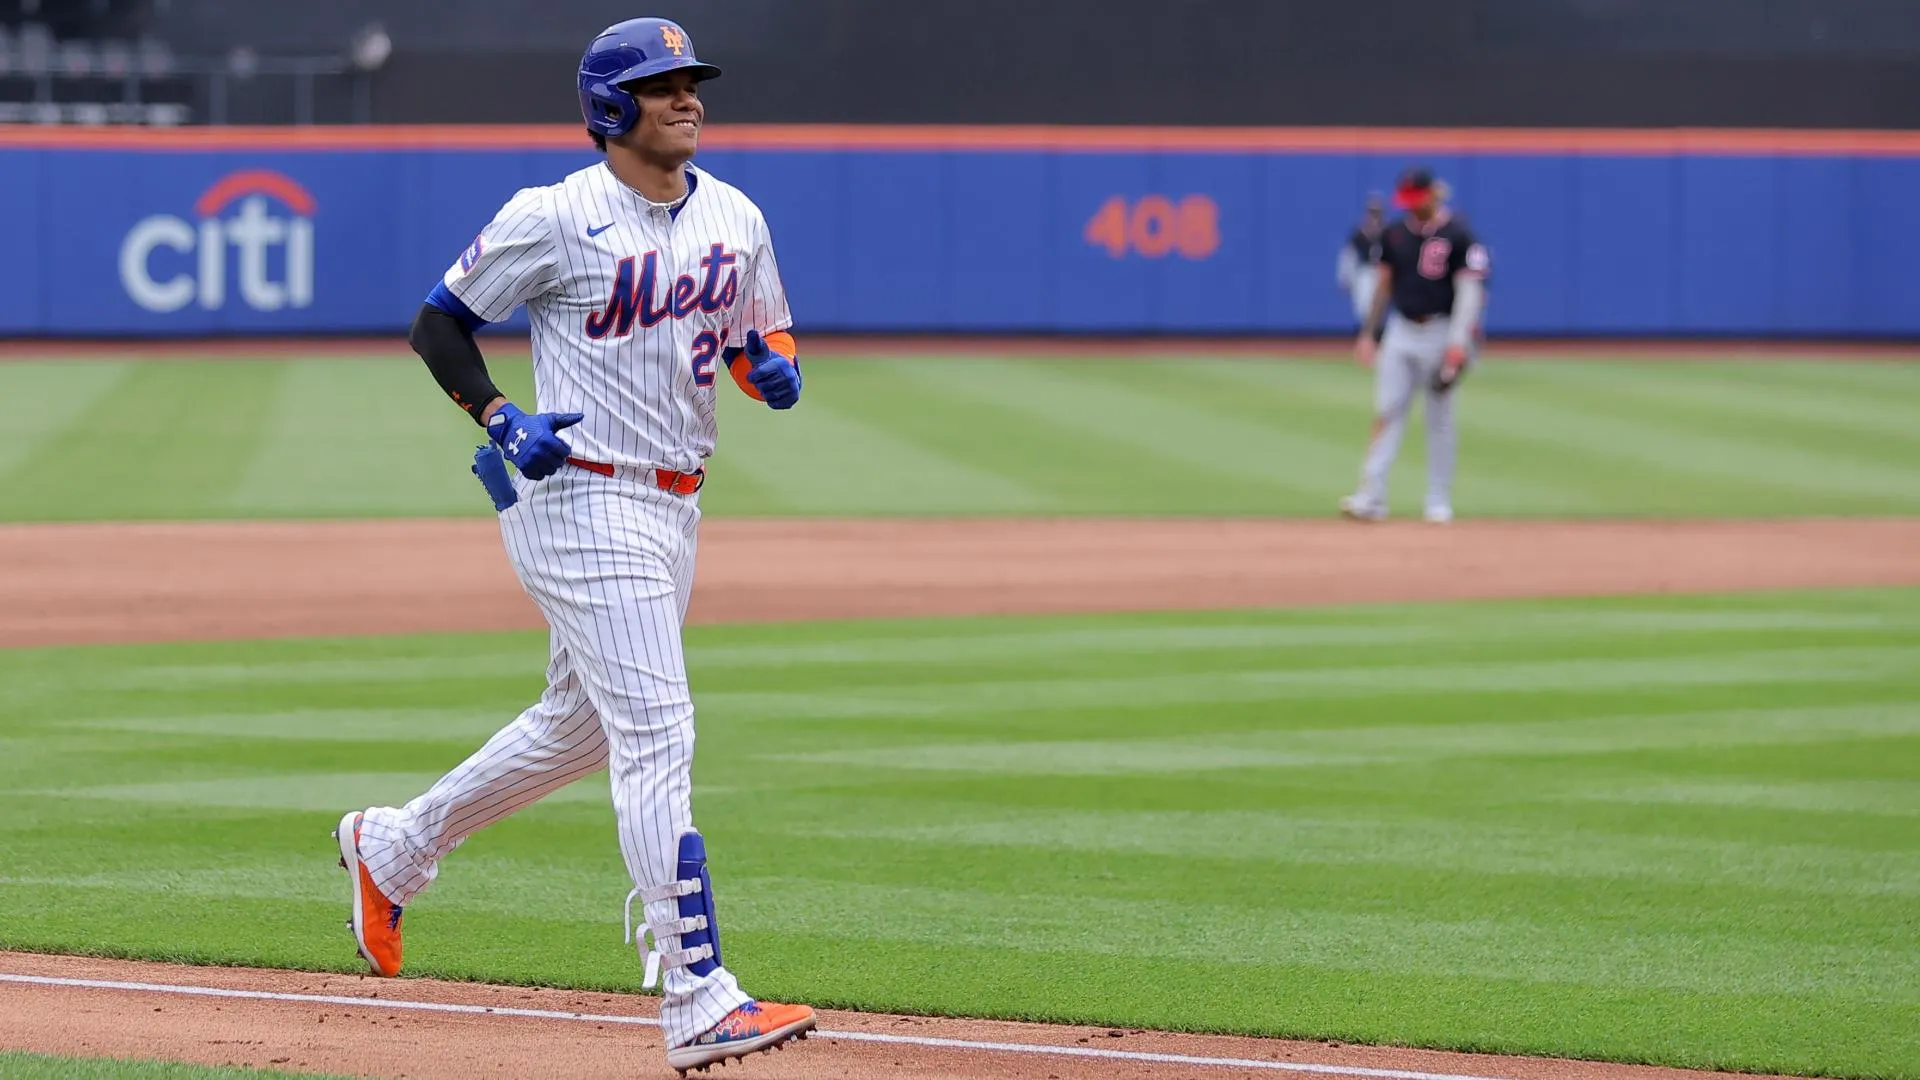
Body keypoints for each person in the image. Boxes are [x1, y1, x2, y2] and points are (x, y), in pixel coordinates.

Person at [331, 17, 815, 1074]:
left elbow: (754, 334)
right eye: (661, 85)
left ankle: (393, 847)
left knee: (582, 726)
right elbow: (439, 323)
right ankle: (696, 994)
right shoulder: (553, 217)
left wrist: (770, 368)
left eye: (691, 80)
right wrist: (503, 418)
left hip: (674, 506)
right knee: (658, 729)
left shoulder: (735, 215)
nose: (686, 98)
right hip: (577, 498)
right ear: (611, 109)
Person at [1340, 166, 1490, 525]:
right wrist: (1369, 333)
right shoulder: (1394, 234)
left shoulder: (1460, 235)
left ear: (1430, 195)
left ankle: (1438, 499)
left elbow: (1471, 292)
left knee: (1439, 418)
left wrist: (1459, 342)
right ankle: (1371, 496)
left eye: (1414, 199)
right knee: (1386, 410)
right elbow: (1384, 286)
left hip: (1440, 329)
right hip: (1401, 330)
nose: (1409, 207)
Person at [1336, 193, 1387, 341]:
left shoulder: (1388, 232)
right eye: (1372, 212)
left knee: (1379, 308)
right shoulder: (1359, 233)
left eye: (1377, 212)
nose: (1375, 216)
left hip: (1380, 271)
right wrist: (1344, 277)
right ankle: (1368, 337)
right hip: (1364, 272)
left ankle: (1376, 337)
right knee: (1363, 308)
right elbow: (1348, 257)